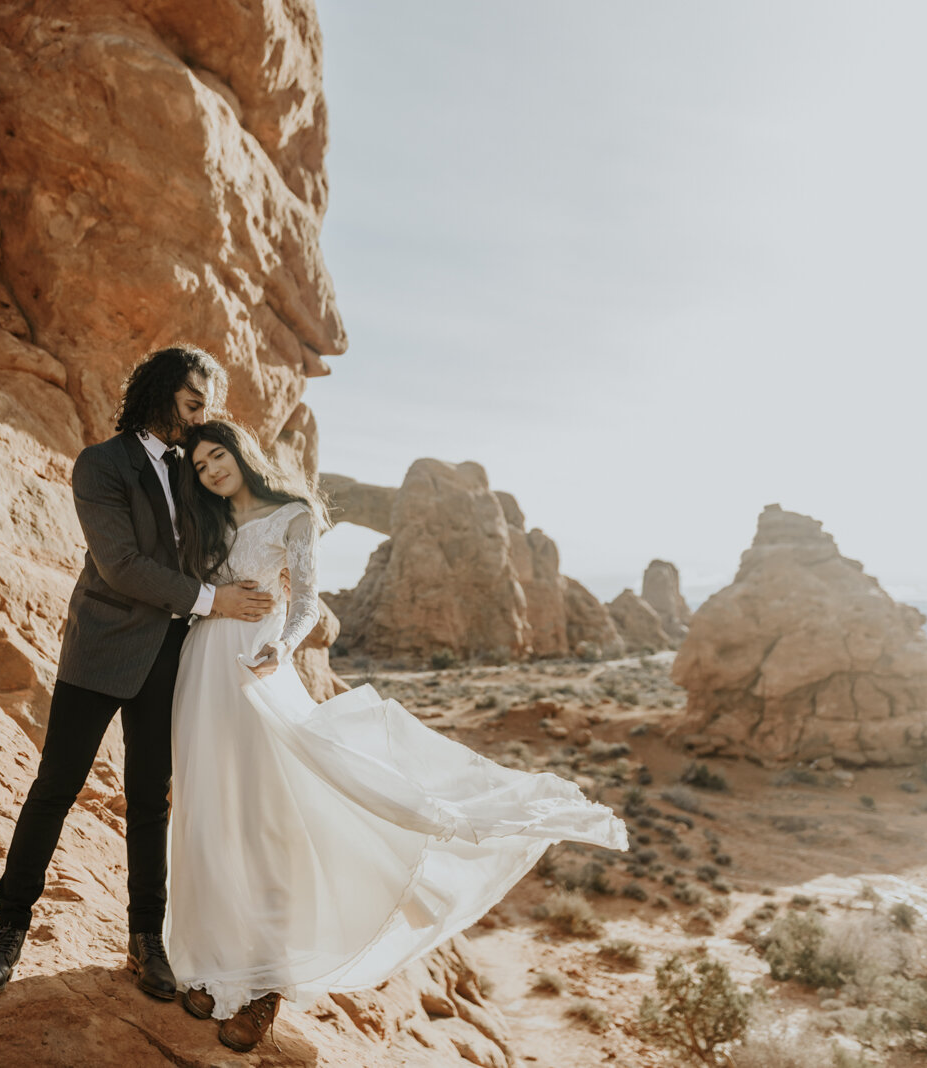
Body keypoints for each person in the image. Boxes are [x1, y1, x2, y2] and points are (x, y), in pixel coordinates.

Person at [167, 420, 629, 1053]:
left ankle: (265, 987)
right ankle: (215, 965)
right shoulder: (207, 520)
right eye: (198, 465)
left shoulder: (292, 513)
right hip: (201, 669)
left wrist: (282, 641)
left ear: (241, 453)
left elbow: (304, 601)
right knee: (206, 813)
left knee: (267, 819)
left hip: (255, 666)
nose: (210, 470)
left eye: (217, 455)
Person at [0, 346, 277, 1000]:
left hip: (174, 658)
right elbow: (121, 565)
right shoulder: (101, 465)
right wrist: (214, 601)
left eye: (209, 404)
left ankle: (145, 944)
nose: (203, 414)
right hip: (101, 647)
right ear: (163, 392)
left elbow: (230, 539)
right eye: (195, 399)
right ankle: (7, 933)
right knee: (57, 785)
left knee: (149, 803)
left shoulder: (197, 472)